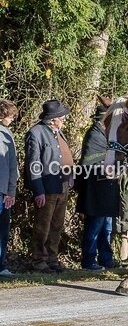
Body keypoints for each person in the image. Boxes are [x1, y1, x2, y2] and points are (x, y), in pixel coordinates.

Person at [24, 99, 75, 273]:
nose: (64, 120)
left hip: (62, 186)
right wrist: (38, 190)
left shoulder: (58, 132)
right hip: (46, 188)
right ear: (52, 119)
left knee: (56, 225)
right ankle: (39, 260)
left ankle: (52, 259)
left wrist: (70, 176)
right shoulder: (36, 133)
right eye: (62, 117)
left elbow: (64, 156)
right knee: (42, 227)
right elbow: (33, 163)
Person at [75, 105, 121, 270]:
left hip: (108, 188)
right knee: (94, 226)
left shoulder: (108, 135)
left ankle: (106, 258)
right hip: (95, 189)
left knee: (107, 228)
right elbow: (89, 162)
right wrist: (108, 165)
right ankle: (89, 260)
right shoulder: (94, 135)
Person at [0, 100, 18, 276]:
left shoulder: (7, 134)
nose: (13, 118)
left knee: (3, 230)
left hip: (3, 191)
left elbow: (13, 165)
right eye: (11, 115)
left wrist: (11, 191)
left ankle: (1, 265)